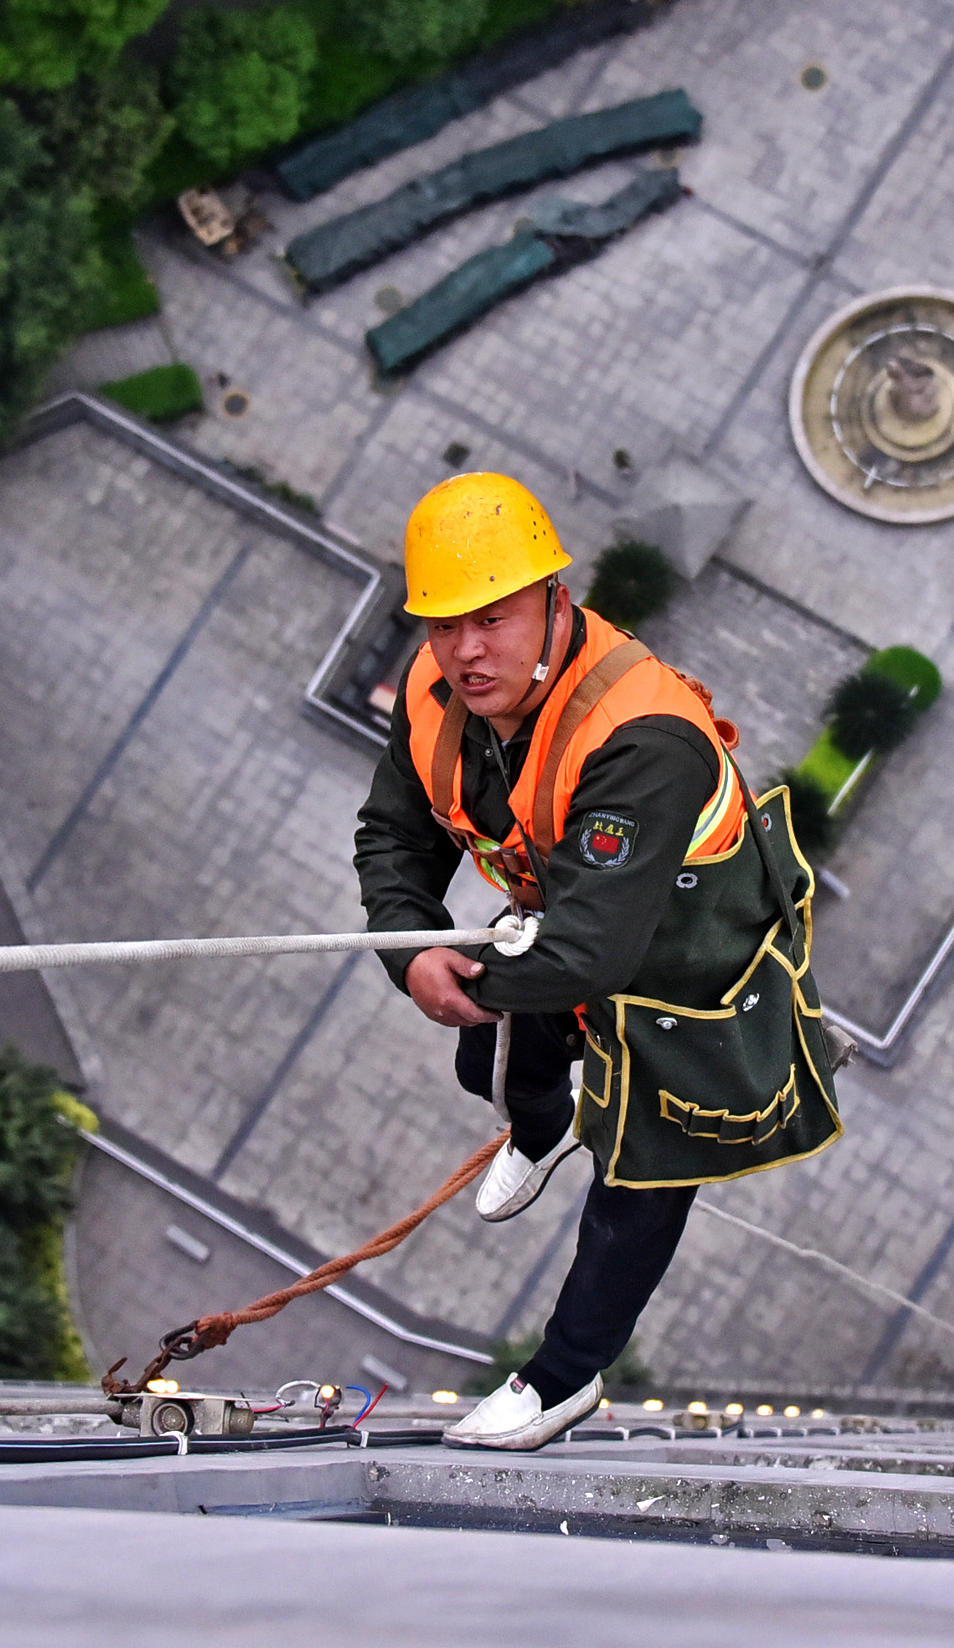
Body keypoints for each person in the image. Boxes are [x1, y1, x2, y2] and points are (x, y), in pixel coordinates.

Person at [355, 473, 842, 1451]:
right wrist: (413, 950)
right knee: (489, 1060)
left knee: (642, 1171)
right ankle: (540, 1134)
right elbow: (393, 837)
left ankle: (563, 1377)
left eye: (490, 619)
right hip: (568, 923)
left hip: (691, 971)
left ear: (552, 599)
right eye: (445, 624)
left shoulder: (641, 739)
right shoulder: (438, 690)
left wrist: (464, 976)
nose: (465, 651)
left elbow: (590, 954)